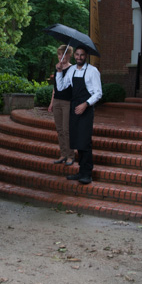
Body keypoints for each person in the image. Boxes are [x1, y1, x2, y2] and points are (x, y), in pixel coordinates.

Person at [56, 45, 102, 184]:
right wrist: (59, 72)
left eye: (82, 55)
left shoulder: (92, 71)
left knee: (85, 142)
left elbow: (98, 93)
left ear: (86, 56)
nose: (79, 57)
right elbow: (61, 87)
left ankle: (87, 174)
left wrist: (86, 104)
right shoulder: (71, 70)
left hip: (86, 109)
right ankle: (81, 171)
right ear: (74, 55)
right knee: (76, 141)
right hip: (74, 108)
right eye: (77, 54)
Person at [48, 45, 75, 165]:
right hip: (57, 101)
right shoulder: (57, 68)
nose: (61, 57)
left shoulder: (73, 69)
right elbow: (55, 88)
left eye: (63, 54)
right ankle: (63, 154)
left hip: (67, 102)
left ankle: (71, 155)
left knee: (66, 130)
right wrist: (52, 103)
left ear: (69, 55)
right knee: (59, 130)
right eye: (59, 54)